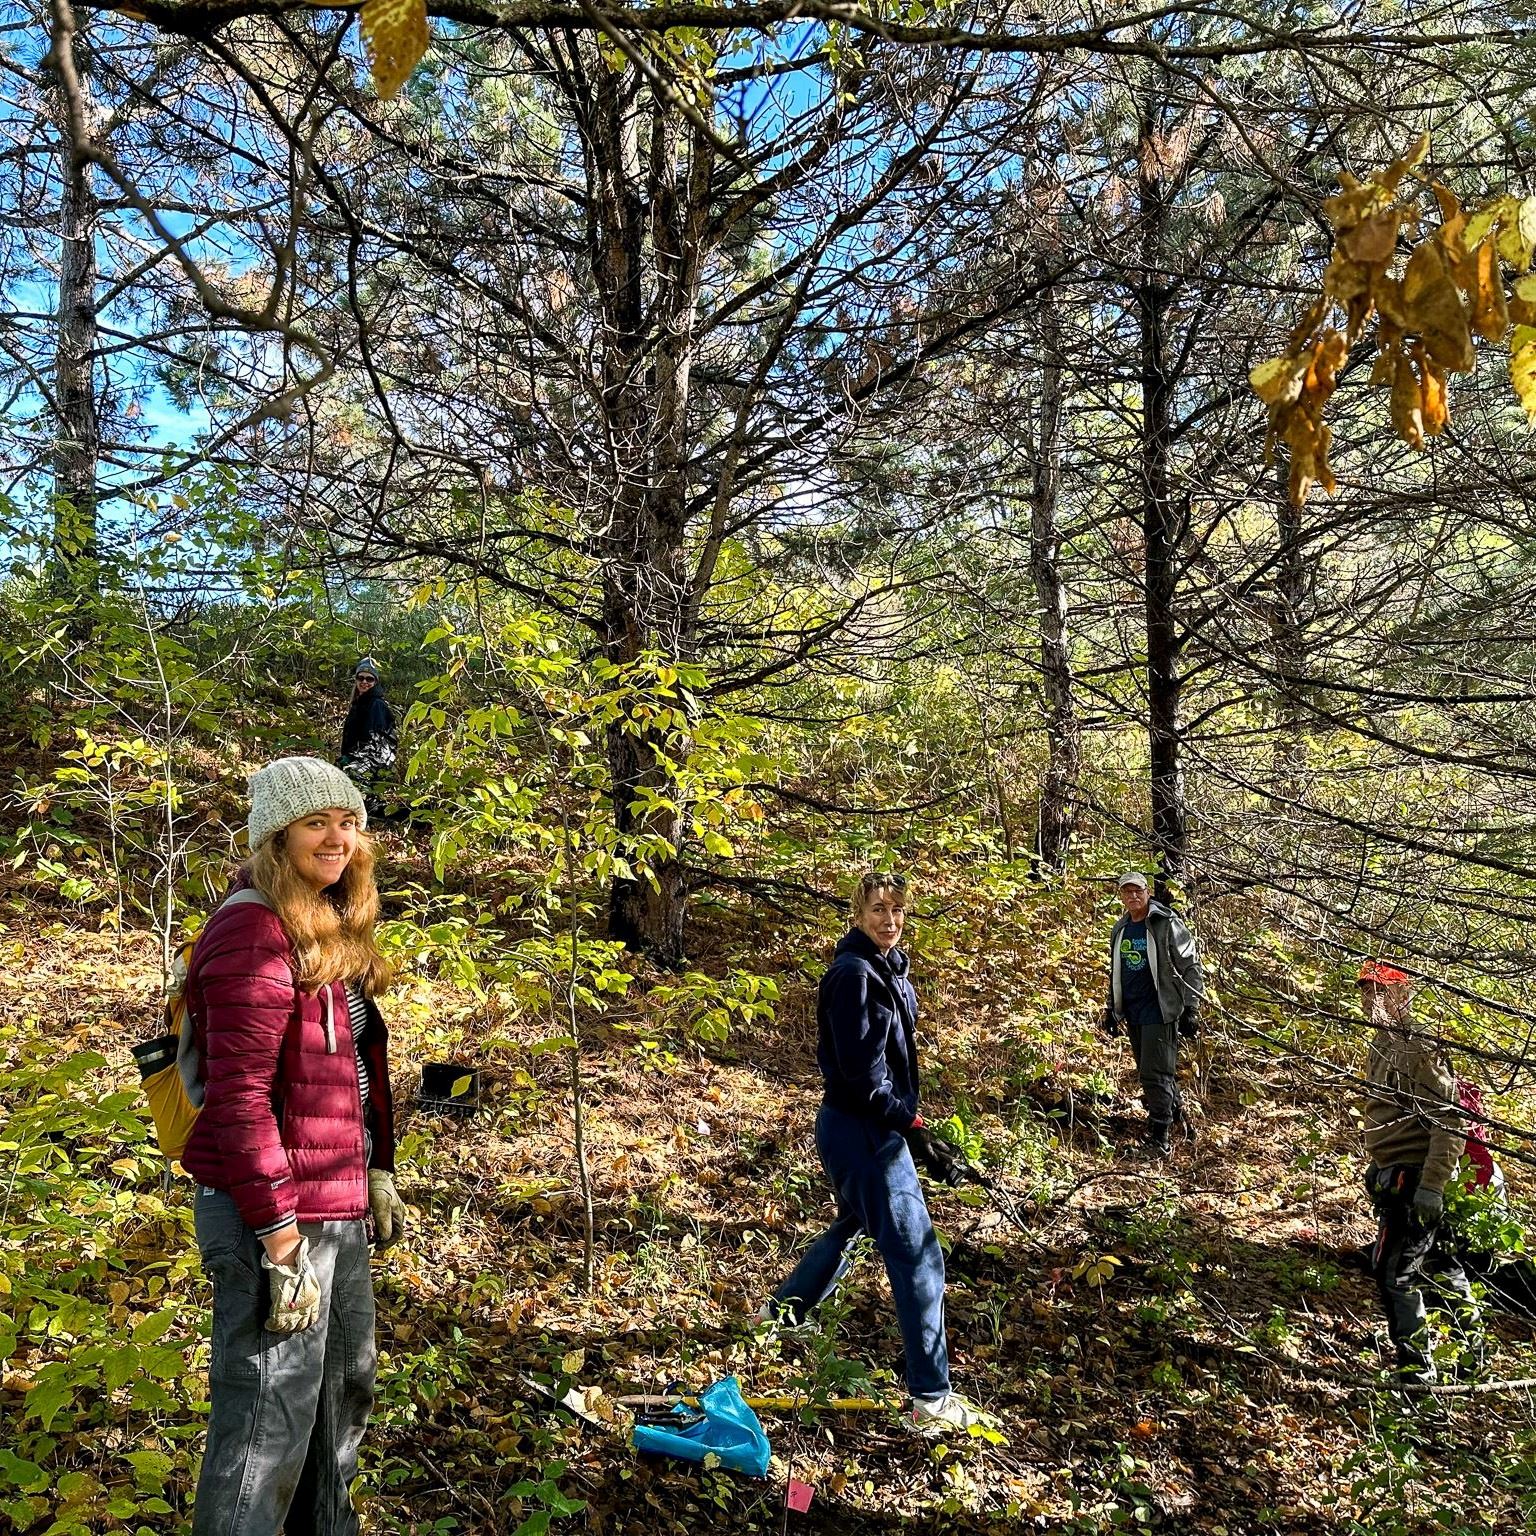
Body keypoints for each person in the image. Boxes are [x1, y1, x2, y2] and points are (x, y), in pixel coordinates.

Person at [181, 756, 408, 1535]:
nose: (337, 838)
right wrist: (280, 1243)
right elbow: (240, 1100)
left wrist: (379, 1170)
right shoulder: (252, 930)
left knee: (338, 1410)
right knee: (264, 1436)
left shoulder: (326, 922)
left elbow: (353, 1071)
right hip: (274, 1222)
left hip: (336, 1209)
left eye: (348, 822)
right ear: (277, 836)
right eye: (316, 822)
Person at [762, 872, 989, 1435]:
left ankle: (780, 1316)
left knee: (855, 1224)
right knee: (917, 1254)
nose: (889, 920)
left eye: (897, 910)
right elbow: (863, 1078)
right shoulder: (853, 976)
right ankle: (930, 1399)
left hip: (872, 1129)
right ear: (858, 914)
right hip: (861, 1132)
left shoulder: (889, 969)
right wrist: (913, 1129)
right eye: (878, 910)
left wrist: (913, 1130)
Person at [1357, 959, 1482, 1384]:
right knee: (1442, 1264)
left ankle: (1417, 1372)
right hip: (1395, 1176)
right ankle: (1474, 1355)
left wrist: (1431, 1186)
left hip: (1415, 1180)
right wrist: (1377, 1165)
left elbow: (1450, 1120)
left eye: (1381, 991)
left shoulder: (1419, 1048)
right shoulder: (1381, 1043)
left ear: (1403, 995)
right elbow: (1390, 1116)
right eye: (1367, 991)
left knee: (1395, 1272)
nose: (1372, 1000)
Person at [1101, 871, 1204, 1156]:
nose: (1133, 896)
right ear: (1121, 896)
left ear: (1148, 892)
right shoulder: (1121, 928)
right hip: (1133, 1011)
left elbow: (1190, 965)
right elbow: (1116, 971)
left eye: (1138, 891)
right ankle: (1181, 1125)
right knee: (1156, 1073)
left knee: (1154, 1075)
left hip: (1160, 1010)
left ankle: (1160, 1140)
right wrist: (1111, 1009)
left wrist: (1191, 1007)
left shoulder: (1166, 922)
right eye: (1127, 891)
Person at [338, 656, 397, 820]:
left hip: (372, 761)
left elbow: (376, 740)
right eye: (361, 678)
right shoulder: (359, 703)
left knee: (366, 807)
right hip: (360, 759)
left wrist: (354, 763)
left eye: (369, 679)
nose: (364, 682)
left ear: (375, 681)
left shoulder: (376, 704)